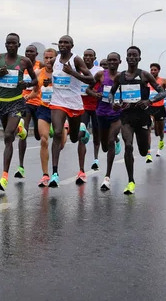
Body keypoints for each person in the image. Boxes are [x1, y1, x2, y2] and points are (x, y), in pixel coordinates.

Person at [0, 33, 38, 191]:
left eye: (14, 43)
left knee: (8, 136)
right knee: (9, 135)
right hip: (1, 103)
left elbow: (35, 81)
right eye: (8, 43)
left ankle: (4, 177)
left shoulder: (24, 61)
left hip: (16, 103)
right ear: (5, 44)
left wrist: (25, 84)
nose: (11, 46)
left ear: (19, 45)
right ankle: (20, 129)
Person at [109, 46, 166, 194]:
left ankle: (146, 146)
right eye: (130, 55)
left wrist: (149, 101)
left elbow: (162, 92)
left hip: (142, 116)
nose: (132, 58)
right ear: (126, 58)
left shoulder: (145, 75)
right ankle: (131, 181)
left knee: (142, 151)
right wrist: (113, 103)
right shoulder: (120, 77)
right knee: (128, 145)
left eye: (135, 56)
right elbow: (111, 94)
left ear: (139, 59)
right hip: (126, 116)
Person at [48, 35, 95, 187]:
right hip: (57, 102)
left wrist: (73, 72)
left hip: (74, 103)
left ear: (71, 46)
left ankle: (83, 132)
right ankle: (54, 173)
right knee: (56, 133)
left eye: (65, 42)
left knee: (74, 138)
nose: (62, 44)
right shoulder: (55, 60)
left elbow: (91, 79)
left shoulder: (76, 60)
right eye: (60, 42)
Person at [34, 48, 64, 187]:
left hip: (59, 109)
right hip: (44, 109)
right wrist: (26, 97)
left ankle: (64, 131)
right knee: (44, 140)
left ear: (56, 59)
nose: (48, 60)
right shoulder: (39, 73)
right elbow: (34, 91)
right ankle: (45, 175)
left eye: (50, 58)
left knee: (61, 143)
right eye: (45, 57)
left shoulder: (61, 73)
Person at [92, 52, 123, 190]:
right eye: (109, 60)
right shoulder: (100, 75)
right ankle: (116, 140)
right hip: (102, 113)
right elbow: (88, 89)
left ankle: (107, 178)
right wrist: (95, 94)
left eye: (114, 60)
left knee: (110, 141)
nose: (112, 62)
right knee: (104, 146)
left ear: (119, 62)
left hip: (117, 114)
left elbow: (129, 94)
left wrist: (121, 104)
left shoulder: (123, 77)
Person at [15, 44, 43, 179]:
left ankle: (47, 130)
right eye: (27, 51)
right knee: (23, 132)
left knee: (38, 135)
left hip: (39, 103)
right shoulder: (20, 66)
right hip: (25, 103)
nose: (28, 53)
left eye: (31, 52)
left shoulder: (41, 65)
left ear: (36, 54)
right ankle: (21, 166)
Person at [76, 49, 103, 183]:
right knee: (81, 134)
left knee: (97, 134)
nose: (87, 58)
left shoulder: (99, 71)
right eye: (85, 55)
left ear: (94, 58)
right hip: (82, 106)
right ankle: (81, 170)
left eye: (90, 56)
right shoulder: (78, 69)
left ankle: (96, 159)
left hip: (97, 107)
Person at [146, 63, 166, 161]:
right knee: (148, 129)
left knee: (158, 132)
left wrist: (165, 96)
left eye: (155, 70)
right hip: (149, 107)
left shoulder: (163, 81)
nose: (153, 71)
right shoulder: (146, 80)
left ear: (158, 71)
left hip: (160, 107)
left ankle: (161, 140)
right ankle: (148, 153)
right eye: (151, 70)